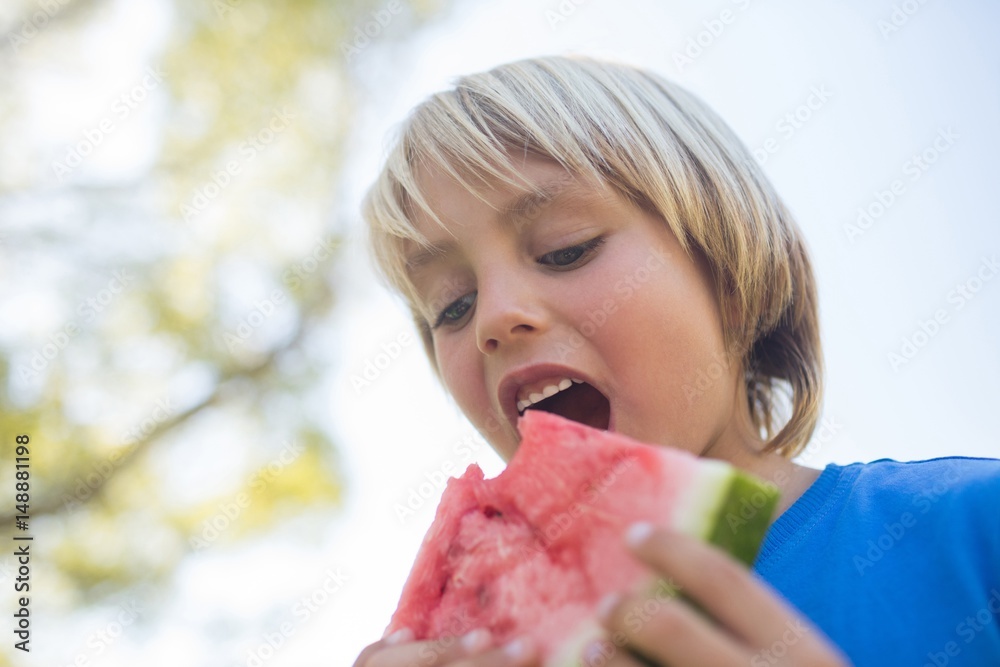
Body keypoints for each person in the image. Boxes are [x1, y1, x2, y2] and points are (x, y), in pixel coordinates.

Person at [352, 55, 1000, 666]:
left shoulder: (973, 526)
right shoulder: (494, 641)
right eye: (452, 305)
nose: (494, 316)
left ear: (727, 271)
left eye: (564, 249)